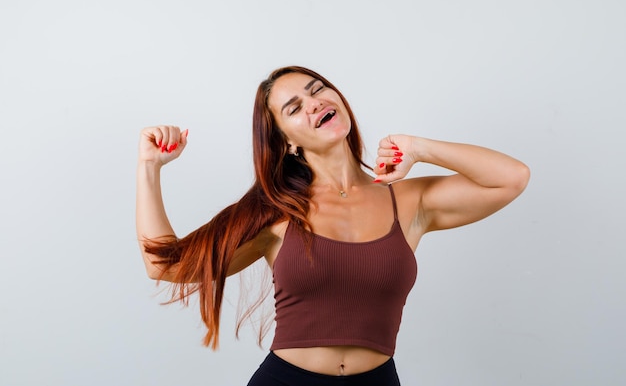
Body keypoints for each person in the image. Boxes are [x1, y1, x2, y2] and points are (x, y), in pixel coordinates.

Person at [136, 66, 530, 385]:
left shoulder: (408, 201)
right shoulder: (275, 211)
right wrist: (149, 167)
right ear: (286, 141)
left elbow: (511, 177)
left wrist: (421, 148)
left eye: (317, 89)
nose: (314, 102)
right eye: (293, 108)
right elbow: (165, 264)